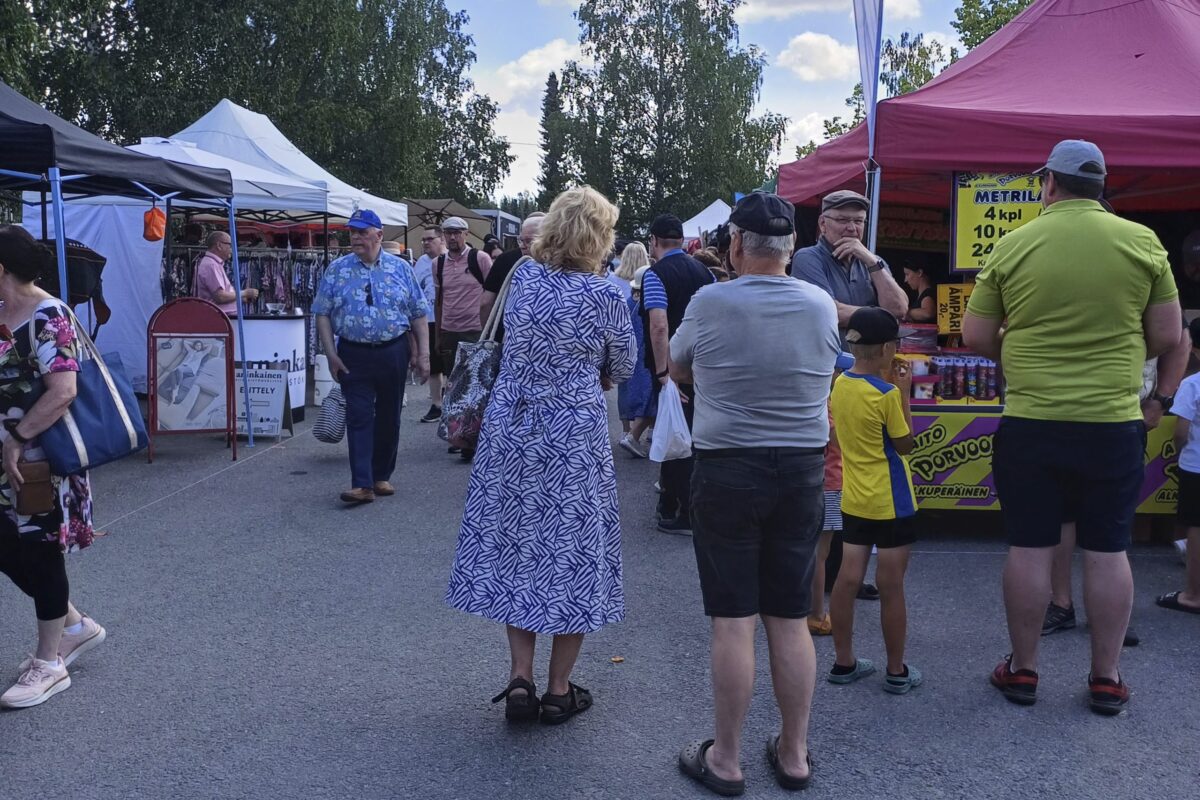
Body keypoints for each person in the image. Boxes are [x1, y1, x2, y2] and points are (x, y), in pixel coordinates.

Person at [963, 140, 1182, 715]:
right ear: (1101, 186)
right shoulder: (1142, 242)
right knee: (1109, 549)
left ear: (1050, 184)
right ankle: (1106, 677)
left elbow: (976, 338)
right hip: (1112, 422)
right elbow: (1166, 335)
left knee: (1031, 547)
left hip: (1032, 420)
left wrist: (1019, 344)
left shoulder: (1014, 243)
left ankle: (1024, 670)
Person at [445, 186, 635, 725]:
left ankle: (520, 679)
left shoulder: (522, 276)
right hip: (572, 434)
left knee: (518, 547)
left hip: (513, 427)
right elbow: (622, 366)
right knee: (571, 552)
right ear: (600, 237)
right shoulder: (608, 296)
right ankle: (558, 689)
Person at [670, 193, 839, 795]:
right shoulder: (820, 303)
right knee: (789, 618)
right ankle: (793, 755)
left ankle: (728, 759)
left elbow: (678, 365)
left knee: (733, 620)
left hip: (727, 469)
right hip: (799, 470)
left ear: (736, 245)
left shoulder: (711, 300)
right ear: (791, 249)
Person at [0, 225, 104, 709]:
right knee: (7, 545)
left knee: (40, 551)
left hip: (39, 461)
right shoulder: (5, 311)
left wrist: (18, 439)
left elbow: (63, 390)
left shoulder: (48, 315)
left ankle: (50, 663)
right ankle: (76, 626)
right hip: (8, 458)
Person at [827, 308, 921, 695]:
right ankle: (896, 670)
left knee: (847, 578)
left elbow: (839, 436)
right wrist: (904, 394)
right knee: (891, 585)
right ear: (886, 348)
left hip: (854, 496)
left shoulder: (841, 384)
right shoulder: (885, 395)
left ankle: (844, 660)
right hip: (892, 498)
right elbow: (905, 443)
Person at [312, 209, 431, 504]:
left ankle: (381, 475)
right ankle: (361, 483)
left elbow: (418, 314)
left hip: (393, 351)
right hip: (353, 353)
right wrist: (330, 354)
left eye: (362, 232)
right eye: (352, 232)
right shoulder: (337, 269)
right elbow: (322, 314)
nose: (355, 237)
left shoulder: (401, 269)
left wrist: (423, 355)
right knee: (359, 416)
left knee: (390, 416)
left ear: (379, 235)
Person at [643, 213, 714, 535]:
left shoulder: (655, 274)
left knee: (674, 435)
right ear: (682, 241)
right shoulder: (705, 272)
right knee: (697, 438)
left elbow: (659, 325)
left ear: (654, 242)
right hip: (705, 367)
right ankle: (694, 503)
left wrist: (662, 372)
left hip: (674, 369)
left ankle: (677, 508)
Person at [791, 190, 908, 337]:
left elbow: (899, 309)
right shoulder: (808, 258)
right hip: (832, 359)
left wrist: (872, 261)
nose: (852, 228)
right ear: (822, 224)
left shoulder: (875, 262)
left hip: (871, 359)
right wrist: (882, 316)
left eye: (858, 221)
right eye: (842, 220)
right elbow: (828, 312)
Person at [436, 216, 492, 459]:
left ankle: (475, 436)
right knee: (453, 385)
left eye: (457, 232)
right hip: (450, 329)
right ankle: (458, 434)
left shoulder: (479, 258)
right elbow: (439, 300)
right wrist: (438, 332)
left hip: (475, 329)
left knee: (476, 386)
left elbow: (492, 293)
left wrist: (489, 331)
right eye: (448, 233)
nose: (452, 237)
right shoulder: (438, 263)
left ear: (466, 234)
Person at [1155, 318, 1200, 615]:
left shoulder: (1192, 384)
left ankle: (1193, 595)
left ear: (1195, 349)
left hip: (1195, 466)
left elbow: (1181, 430)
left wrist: (1178, 450)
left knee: (1196, 527)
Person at [479, 213, 545, 334]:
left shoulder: (504, 259)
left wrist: (487, 333)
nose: (523, 246)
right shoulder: (562, 267)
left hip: (506, 335)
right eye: (521, 241)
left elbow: (486, 303)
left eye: (529, 241)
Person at [618, 262, 656, 458]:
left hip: (627, 354)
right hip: (646, 354)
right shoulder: (652, 304)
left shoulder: (627, 301)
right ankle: (634, 436)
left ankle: (627, 431)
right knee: (650, 396)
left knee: (628, 392)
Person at [413, 226, 446, 424]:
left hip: (451, 319)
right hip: (430, 319)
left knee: (450, 364)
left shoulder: (450, 259)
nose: (425, 242)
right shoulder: (421, 264)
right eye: (423, 239)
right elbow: (416, 291)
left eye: (429, 239)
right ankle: (437, 404)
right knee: (434, 365)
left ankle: (450, 402)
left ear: (440, 239)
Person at [193, 231, 259, 315]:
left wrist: (240, 298)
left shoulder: (214, 264)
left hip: (221, 317)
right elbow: (220, 297)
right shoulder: (211, 265)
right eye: (230, 245)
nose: (232, 249)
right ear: (219, 245)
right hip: (219, 319)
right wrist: (244, 293)